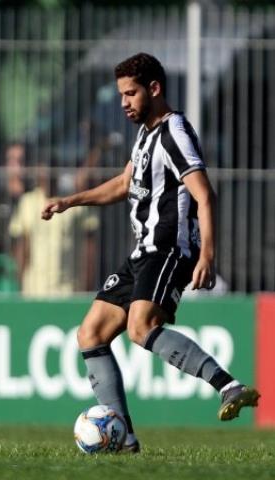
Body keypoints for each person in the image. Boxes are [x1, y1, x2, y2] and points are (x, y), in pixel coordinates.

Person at [41, 53, 259, 453]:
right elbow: (125, 183)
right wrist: (70, 201)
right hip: (142, 252)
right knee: (90, 333)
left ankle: (228, 386)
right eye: (121, 93)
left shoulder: (174, 131)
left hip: (170, 249)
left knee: (141, 327)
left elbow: (204, 196)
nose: (123, 102)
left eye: (130, 93)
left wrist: (207, 255)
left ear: (154, 89)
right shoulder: (145, 134)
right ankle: (124, 439)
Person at [9, 167, 98, 296]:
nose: (46, 175)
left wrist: (87, 283)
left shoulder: (72, 200)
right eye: (42, 170)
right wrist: (20, 281)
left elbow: (89, 244)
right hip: (34, 289)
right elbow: (22, 244)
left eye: (50, 170)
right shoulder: (27, 201)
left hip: (69, 288)